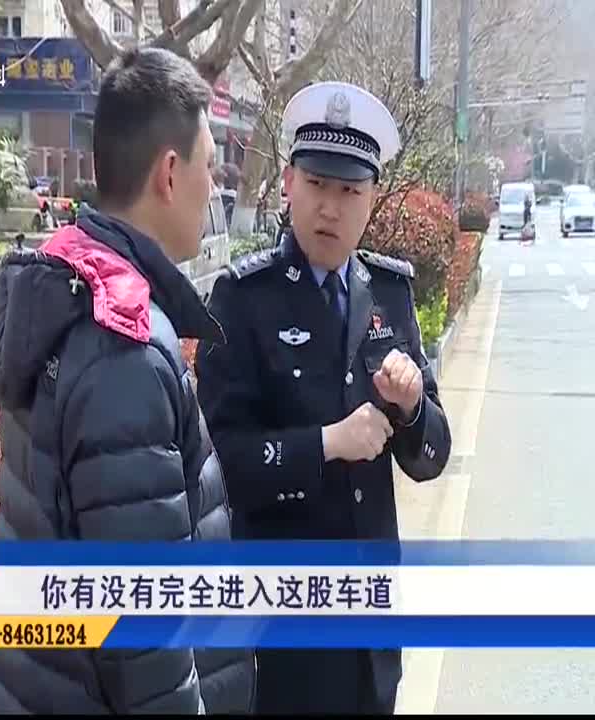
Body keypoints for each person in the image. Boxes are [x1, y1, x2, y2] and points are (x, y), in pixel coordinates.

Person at [0, 48, 256, 715]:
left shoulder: (64, 288)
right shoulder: (124, 350)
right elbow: (147, 632)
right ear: (170, 173)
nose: (213, 189)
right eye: (209, 166)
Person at [194, 81, 453, 715]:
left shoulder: (389, 293)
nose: (330, 209)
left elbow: (431, 456)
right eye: (316, 185)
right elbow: (219, 464)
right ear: (288, 183)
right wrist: (325, 445)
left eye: (349, 191)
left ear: (373, 199)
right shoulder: (243, 299)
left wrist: (413, 407)